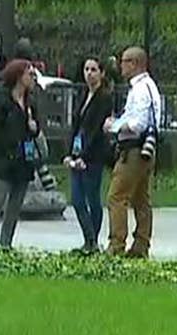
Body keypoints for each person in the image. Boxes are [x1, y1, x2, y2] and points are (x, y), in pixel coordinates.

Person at [103, 46, 161, 259]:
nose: (121, 65)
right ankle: (141, 245)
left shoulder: (139, 89)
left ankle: (116, 244)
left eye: (125, 61)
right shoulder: (150, 87)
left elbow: (137, 124)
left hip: (134, 150)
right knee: (141, 199)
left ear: (135, 64)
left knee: (116, 196)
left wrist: (114, 126)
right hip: (146, 149)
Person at [64, 57, 115, 255]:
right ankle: (89, 239)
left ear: (101, 73)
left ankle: (92, 241)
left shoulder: (104, 97)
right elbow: (76, 126)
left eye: (94, 69)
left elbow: (95, 130)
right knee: (77, 199)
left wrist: (84, 156)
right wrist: (70, 154)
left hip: (93, 155)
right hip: (77, 151)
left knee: (92, 197)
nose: (89, 73)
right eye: (86, 69)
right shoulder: (83, 94)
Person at [0, 59, 41, 249]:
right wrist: (8, 146)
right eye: (30, 74)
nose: (32, 78)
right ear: (19, 76)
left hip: (24, 160)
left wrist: (34, 128)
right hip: (4, 159)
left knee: (15, 206)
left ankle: (6, 244)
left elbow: (36, 127)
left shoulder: (30, 102)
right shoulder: (2, 100)